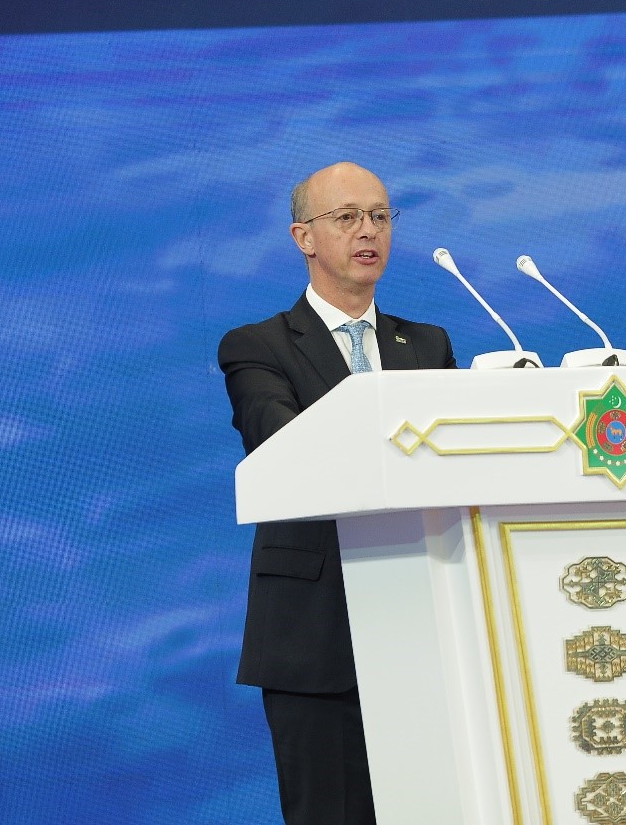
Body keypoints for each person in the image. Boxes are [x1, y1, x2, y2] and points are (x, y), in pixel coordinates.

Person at [218, 162, 456, 825]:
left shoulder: (427, 344)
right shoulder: (256, 346)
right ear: (304, 237)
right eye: (346, 217)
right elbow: (281, 443)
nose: (368, 230)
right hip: (314, 634)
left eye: (379, 216)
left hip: (425, 625)